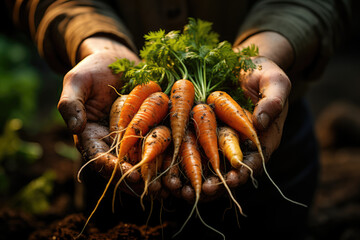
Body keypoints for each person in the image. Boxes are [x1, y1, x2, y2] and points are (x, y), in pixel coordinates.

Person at [6, 0, 351, 239]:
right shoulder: (153, 98)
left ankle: (216, 160)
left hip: (275, 144)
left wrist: (270, 47)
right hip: (123, 180)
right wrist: (95, 42)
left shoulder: (209, 101)